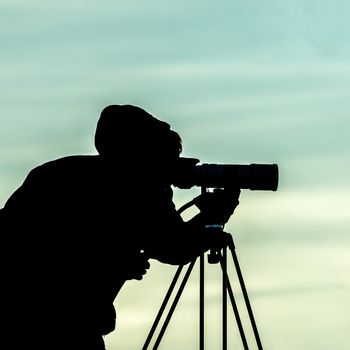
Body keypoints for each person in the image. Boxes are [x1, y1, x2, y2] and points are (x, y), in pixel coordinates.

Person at [1, 104, 240, 350]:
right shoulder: (139, 188)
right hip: (65, 329)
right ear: (144, 156)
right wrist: (216, 214)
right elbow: (175, 247)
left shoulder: (54, 173)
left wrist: (111, 260)